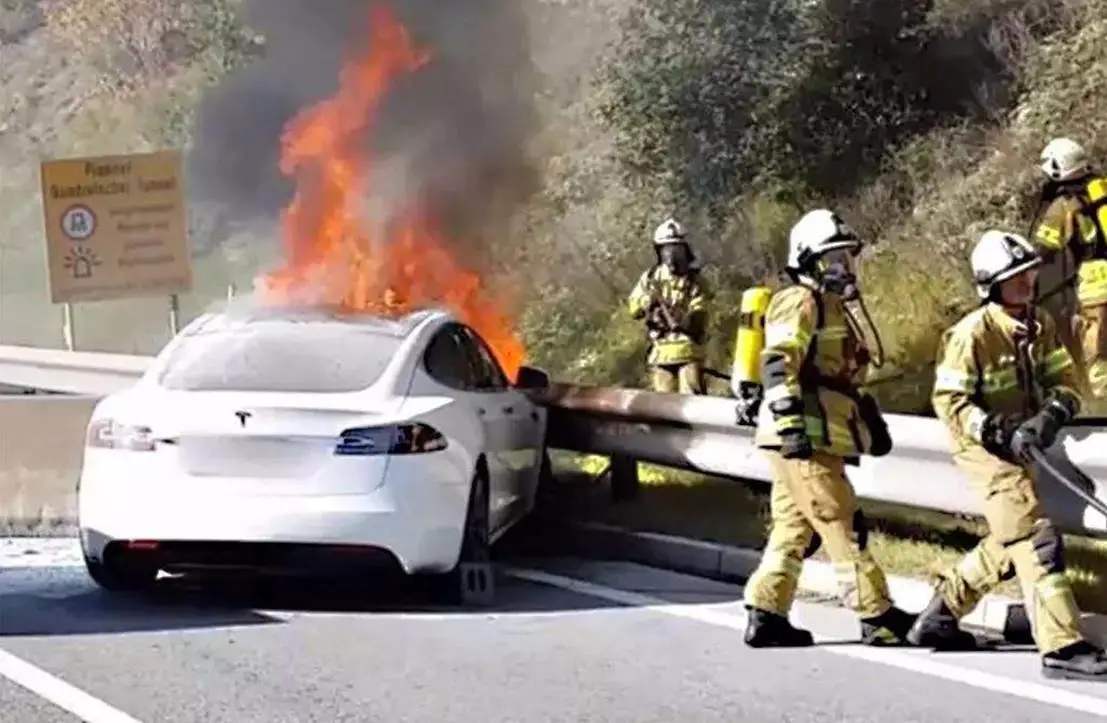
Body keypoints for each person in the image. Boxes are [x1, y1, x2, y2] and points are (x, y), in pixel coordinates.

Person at [911, 229, 1107, 680]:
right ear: (991, 285)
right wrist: (997, 430)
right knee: (1037, 538)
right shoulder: (970, 335)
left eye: (1030, 272)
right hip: (983, 448)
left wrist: (1049, 417)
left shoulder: (1040, 324)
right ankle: (1061, 645)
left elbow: (1066, 384)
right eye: (1016, 276)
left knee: (1010, 537)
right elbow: (951, 403)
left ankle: (940, 615)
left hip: (1024, 442)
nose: (1028, 281)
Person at [742, 209, 914, 647]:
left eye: (846, 257)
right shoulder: (799, 300)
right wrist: (791, 427)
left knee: (794, 527)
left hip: (817, 433)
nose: (844, 267)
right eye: (832, 259)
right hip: (802, 434)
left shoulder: (832, 306)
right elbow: (779, 364)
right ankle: (876, 613)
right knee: (842, 521)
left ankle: (765, 612)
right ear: (807, 261)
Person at [1033, 138, 1107, 404]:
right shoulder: (1102, 188)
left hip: (1096, 288)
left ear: (1057, 168)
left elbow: (1044, 249)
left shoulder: (1064, 205)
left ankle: (1102, 413)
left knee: (1097, 357)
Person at [628, 218, 709, 394]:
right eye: (666, 249)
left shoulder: (695, 281)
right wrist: (648, 303)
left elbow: (699, 316)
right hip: (660, 353)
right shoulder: (650, 278)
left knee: (693, 404)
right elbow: (633, 308)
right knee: (664, 409)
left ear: (685, 251)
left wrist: (680, 318)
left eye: (676, 249)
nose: (671, 255)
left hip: (689, 352)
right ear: (659, 252)